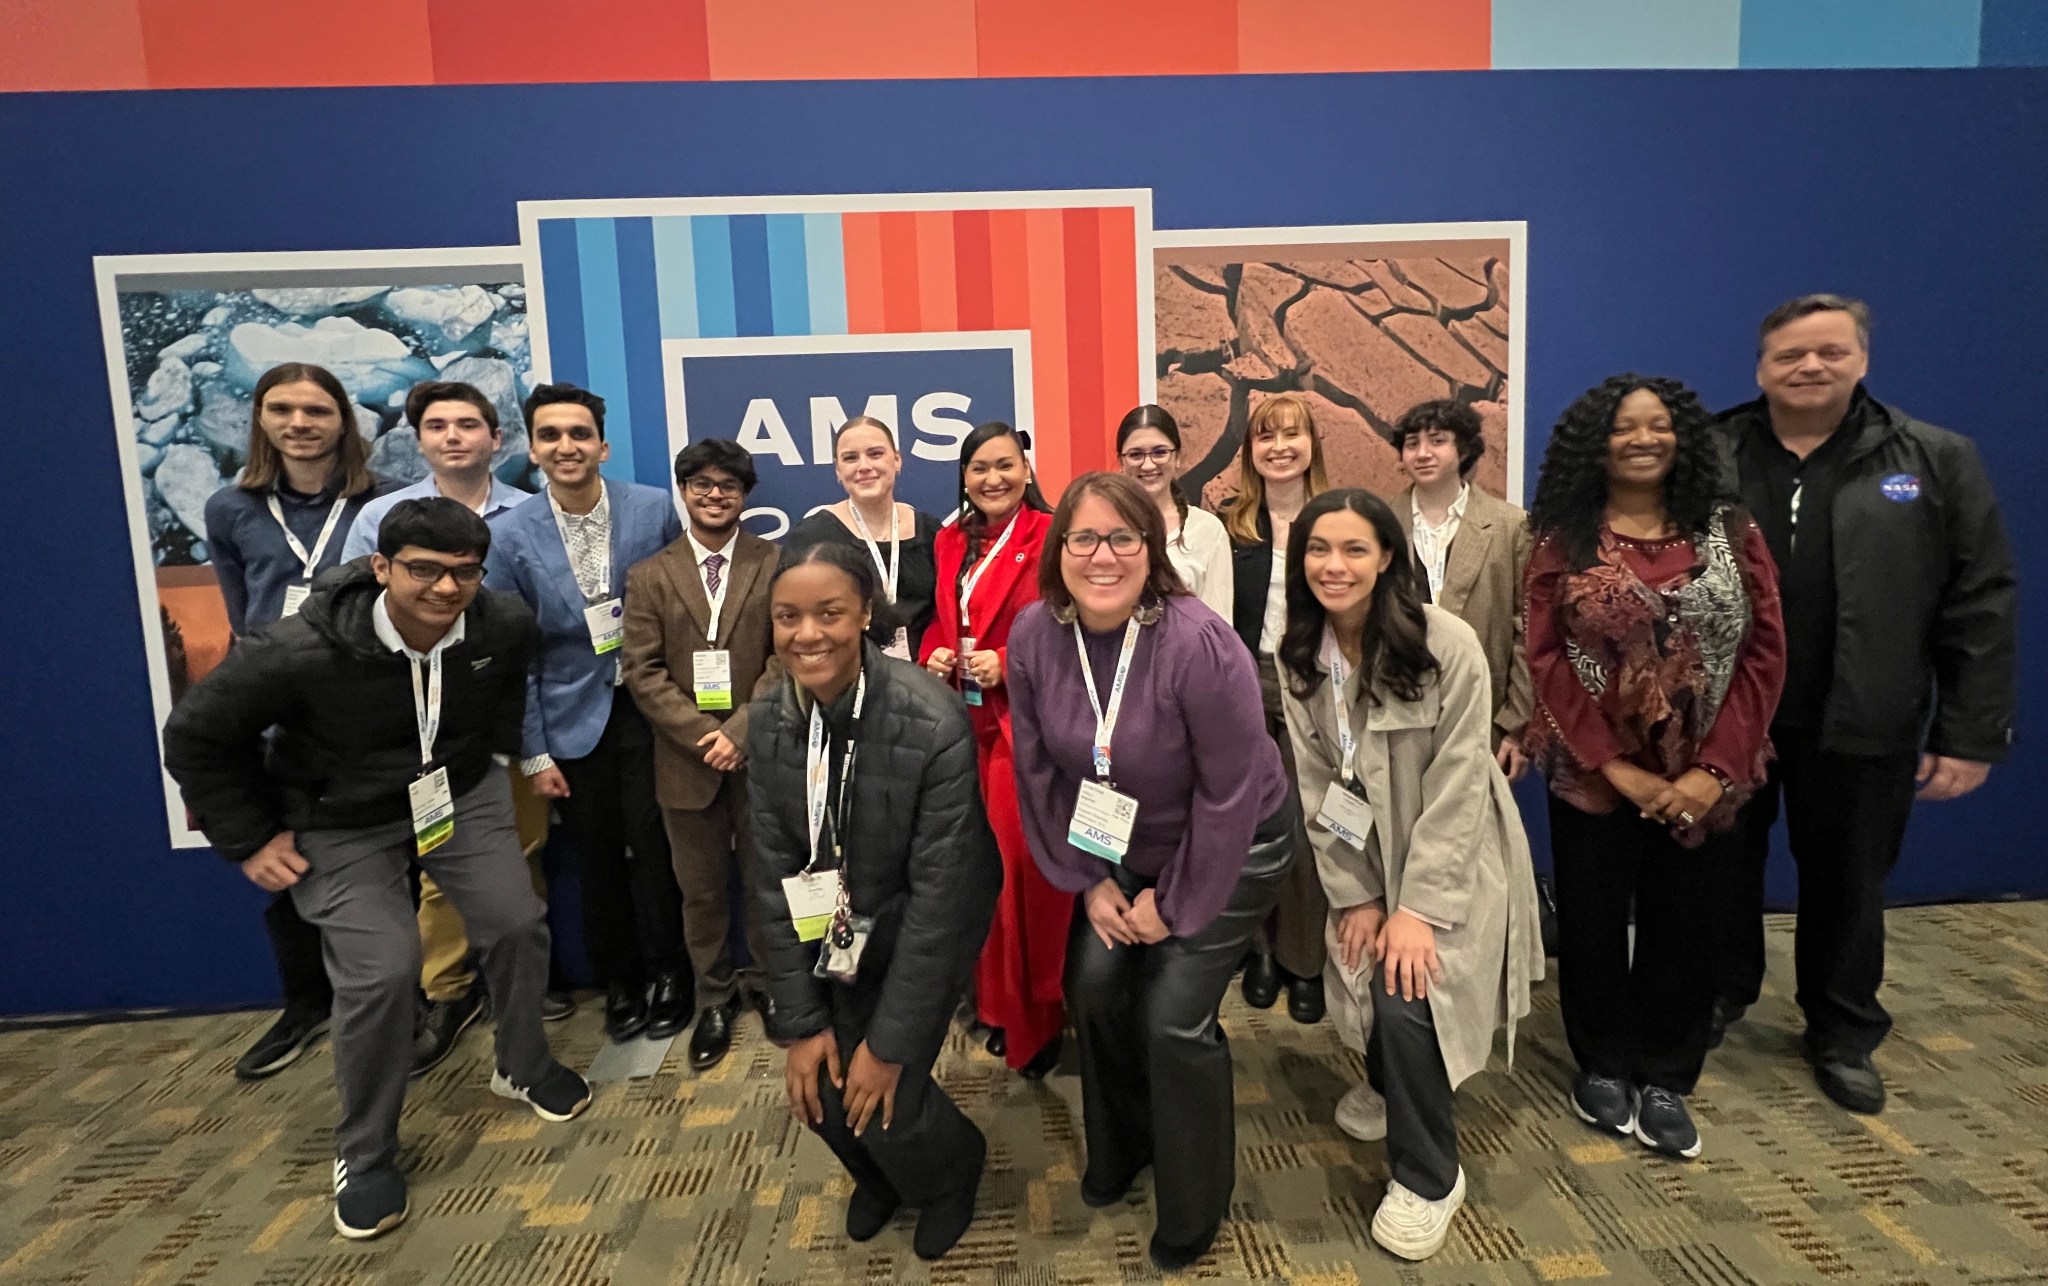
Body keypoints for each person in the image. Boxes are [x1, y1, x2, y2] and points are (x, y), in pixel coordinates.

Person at [163, 498, 590, 1241]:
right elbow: (196, 734)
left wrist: (489, 755)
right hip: (338, 816)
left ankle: (520, 1064)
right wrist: (252, 838)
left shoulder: (504, 622)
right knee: (385, 970)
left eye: (464, 572)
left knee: (517, 921)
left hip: (454, 791)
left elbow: (504, 686)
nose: (446, 589)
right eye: (424, 570)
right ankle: (365, 1153)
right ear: (382, 566)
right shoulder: (298, 648)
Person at [1712, 295, 2018, 1114]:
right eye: (1790, 355)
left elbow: (1979, 598)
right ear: (1761, 367)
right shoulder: (1711, 453)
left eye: (1829, 352)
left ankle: (1842, 1030)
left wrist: (1970, 732)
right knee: (1718, 869)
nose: (1810, 367)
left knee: (1849, 880)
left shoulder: (1933, 458)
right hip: (1730, 718)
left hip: (1865, 716)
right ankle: (1720, 994)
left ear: (1862, 359)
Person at [1008, 471, 1293, 1271]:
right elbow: (1040, 769)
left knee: (1171, 1017)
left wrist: (1175, 905)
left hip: (1236, 846)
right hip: (1118, 853)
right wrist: (1088, 879)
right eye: (1084, 538)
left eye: (1123, 538)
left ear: (1152, 548)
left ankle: (1194, 1201)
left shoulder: (1199, 641)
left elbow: (1230, 792)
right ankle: (1125, 1146)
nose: (1103, 556)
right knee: (1094, 985)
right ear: (1058, 549)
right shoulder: (1034, 634)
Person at [1524, 375, 1785, 1161]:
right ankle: (1602, 1061)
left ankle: (1669, 1071)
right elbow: (1545, 659)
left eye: (1658, 425)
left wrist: (1714, 770)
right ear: (1594, 444)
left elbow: (1763, 656)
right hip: (1594, 776)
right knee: (1595, 921)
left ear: (1683, 437)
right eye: (1624, 427)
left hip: (1710, 773)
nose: (1643, 438)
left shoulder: (1730, 530)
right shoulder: (1563, 536)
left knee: (1690, 923)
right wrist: (1614, 767)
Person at [1278, 489, 1543, 1260]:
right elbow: (1320, 785)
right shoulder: (1302, 657)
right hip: (1362, 851)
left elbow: (1460, 785)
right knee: (1358, 953)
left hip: (1450, 851)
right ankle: (1390, 1083)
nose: (1335, 565)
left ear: (1387, 556)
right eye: (1319, 549)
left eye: (1355, 548)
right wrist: (1358, 893)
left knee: (1408, 988)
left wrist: (1417, 907)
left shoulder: (1445, 644)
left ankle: (1429, 1176)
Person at [750, 542, 1002, 1261]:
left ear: (865, 611)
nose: (808, 635)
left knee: (886, 1096)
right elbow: (771, 877)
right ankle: (879, 1178)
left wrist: (890, 1046)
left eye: (830, 613)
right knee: (819, 1091)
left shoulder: (931, 721)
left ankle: (955, 1171)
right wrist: (798, 1023)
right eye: (787, 617)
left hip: (928, 920)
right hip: (832, 921)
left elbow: (942, 899)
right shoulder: (770, 720)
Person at [339, 379, 550, 1070]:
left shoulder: (530, 512)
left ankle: (517, 989)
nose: (454, 436)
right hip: (409, 724)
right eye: (438, 425)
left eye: (469, 424)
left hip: (497, 713)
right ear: (420, 438)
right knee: (437, 866)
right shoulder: (382, 518)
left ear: (497, 439)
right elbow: (356, 617)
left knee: (516, 856)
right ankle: (449, 988)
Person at [201, 361, 394, 1081]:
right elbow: (238, 607)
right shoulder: (231, 508)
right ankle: (305, 1004)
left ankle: (390, 999)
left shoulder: (379, 505)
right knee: (282, 859)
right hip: (274, 704)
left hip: (359, 704)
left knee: (381, 856)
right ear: (261, 420)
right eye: (281, 409)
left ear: (343, 419)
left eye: (316, 410)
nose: (299, 424)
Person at [485, 383, 689, 1043]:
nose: (565, 446)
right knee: (598, 858)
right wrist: (535, 750)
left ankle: (671, 975)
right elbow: (513, 656)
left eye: (578, 434)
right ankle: (621, 982)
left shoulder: (654, 509)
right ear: (534, 449)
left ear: (601, 444)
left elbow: (686, 615)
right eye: (550, 435)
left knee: (658, 851)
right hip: (571, 717)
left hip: (653, 708)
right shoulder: (509, 536)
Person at [623, 439, 782, 1070]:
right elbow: (641, 671)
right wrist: (703, 737)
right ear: (683, 491)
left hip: (761, 755)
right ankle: (714, 996)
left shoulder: (774, 563)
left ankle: (770, 985)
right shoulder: (650, 575)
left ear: (746, 495)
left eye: (729, 486)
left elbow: (789, 656)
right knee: (702, 892)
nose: (715, 495)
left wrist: (740, 732)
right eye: (702, 484)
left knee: (768, 883)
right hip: (686, 764)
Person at [917, 421, 1064, 1077]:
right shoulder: (950, 540)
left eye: (1005, 466)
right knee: (972, 876)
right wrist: (934, 654)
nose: (993, 479)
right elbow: (940, 620)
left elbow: (1074, 623)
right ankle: (996, 1006)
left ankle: (1037, 1023)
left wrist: (1008, 661)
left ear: (1027, 471)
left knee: (1020, 882)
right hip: (962, 728)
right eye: (979, 468)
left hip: (1023, 730)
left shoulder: (1051, 536)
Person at [1221, 392, 1330, 1024]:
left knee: (1313, 829)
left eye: (1292, 435)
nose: (1280, 447)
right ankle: (1258, 950)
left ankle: (1305, 961)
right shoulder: (1231, 525)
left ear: (1313, 445)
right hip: (1246, 685)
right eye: (1266, 437)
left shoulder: (1337, 519)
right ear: (1251, 452)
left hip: (1318, 684)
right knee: (1249, 826)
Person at [1386, 399, 1534, 779]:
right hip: (1398, 714)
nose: (1422, 453)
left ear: (1464, 448)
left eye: (1437, 441)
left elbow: (1528, 631)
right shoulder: (1381, 522)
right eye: (1412, 443)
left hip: (1484, 718)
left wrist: (1514, 726)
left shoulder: (1509, 525)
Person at [785, 415, 941, 659]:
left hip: (926, 682)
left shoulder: (932, 532)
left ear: (897, 460)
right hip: (845, 681)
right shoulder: (811, 537)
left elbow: (947, 615)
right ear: (838, 470)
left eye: (875, 454)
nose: (864, 466)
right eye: (850, 458)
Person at [1115, 404, 1233, 619]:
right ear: (1120, 462)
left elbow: (1219, 624)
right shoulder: (1105, 527)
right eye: (1136, 455)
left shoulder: (1208, 530)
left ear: (1177, 457)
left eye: (1160, 453)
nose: (1148, 465)